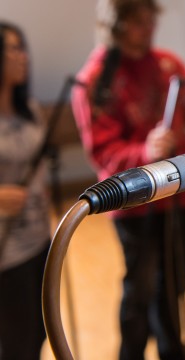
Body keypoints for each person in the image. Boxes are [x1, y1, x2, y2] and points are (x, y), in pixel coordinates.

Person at [71, 1, 185, 359]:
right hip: (135, 204)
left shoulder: (166, 63)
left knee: (174, 284)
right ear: (117, 24)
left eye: (151, 19)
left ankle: (172, 349)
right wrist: (145, 151)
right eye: (138, 22)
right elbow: (104, 154)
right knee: (140, 290)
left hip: (181, 195)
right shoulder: (96, 79)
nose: (149, 28)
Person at [0, 21, 50, 360]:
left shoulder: (29, 109)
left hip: (40, 238)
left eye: (22, 48)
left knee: (40, 332)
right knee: (16, 343)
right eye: (13, 48)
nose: (23, 56)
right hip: (6, 251)